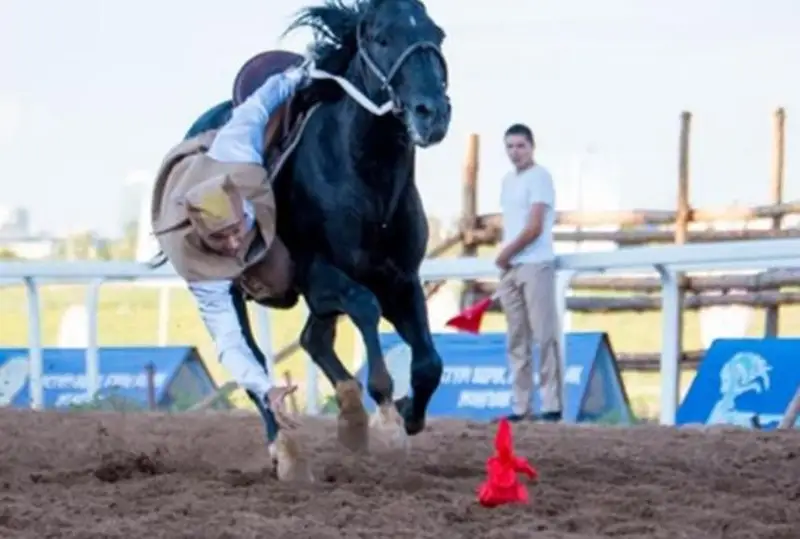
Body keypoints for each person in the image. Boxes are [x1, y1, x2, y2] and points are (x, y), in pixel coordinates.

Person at [149, 59, 313, 474]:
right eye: (221, 239)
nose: (235, 242)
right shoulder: (197, 267)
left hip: (218, 156)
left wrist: (304, 73)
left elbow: (260, 103)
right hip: (183, 181)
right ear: (204, 237)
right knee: (264, 279)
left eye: (237, 230)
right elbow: (229, 342)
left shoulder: (238, 148)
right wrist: (264, 386)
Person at [494, 123, 564, 423]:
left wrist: (507, 253)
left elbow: (534, 226)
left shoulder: (540, 177)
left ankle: (551, 404)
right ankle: (522, 406)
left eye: (520, 146)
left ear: (531, 147)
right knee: (516, 337)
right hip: (511, 267)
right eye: (510, 146)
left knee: (544, 335)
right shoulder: (508, 181)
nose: (515, 152)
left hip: (534, 263)